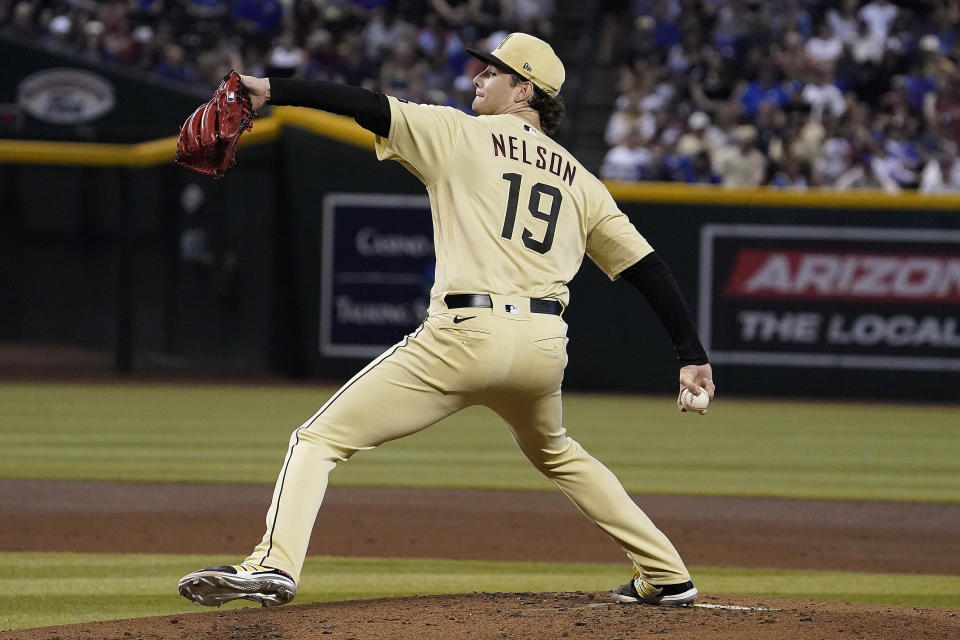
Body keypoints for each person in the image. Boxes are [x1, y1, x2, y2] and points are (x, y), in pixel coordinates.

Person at [177, 32, 714, 610]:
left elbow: (364, 105)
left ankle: (273, 564)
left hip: (465, 335)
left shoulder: (460, 132)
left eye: (493, 72)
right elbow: (648, 267)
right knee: (556, 451)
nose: (478, 78)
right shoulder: (582, 180)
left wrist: (267, 90)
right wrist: (691, 354)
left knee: (317, 439)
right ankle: (666, 573)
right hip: (541, 348)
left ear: (523, 90)